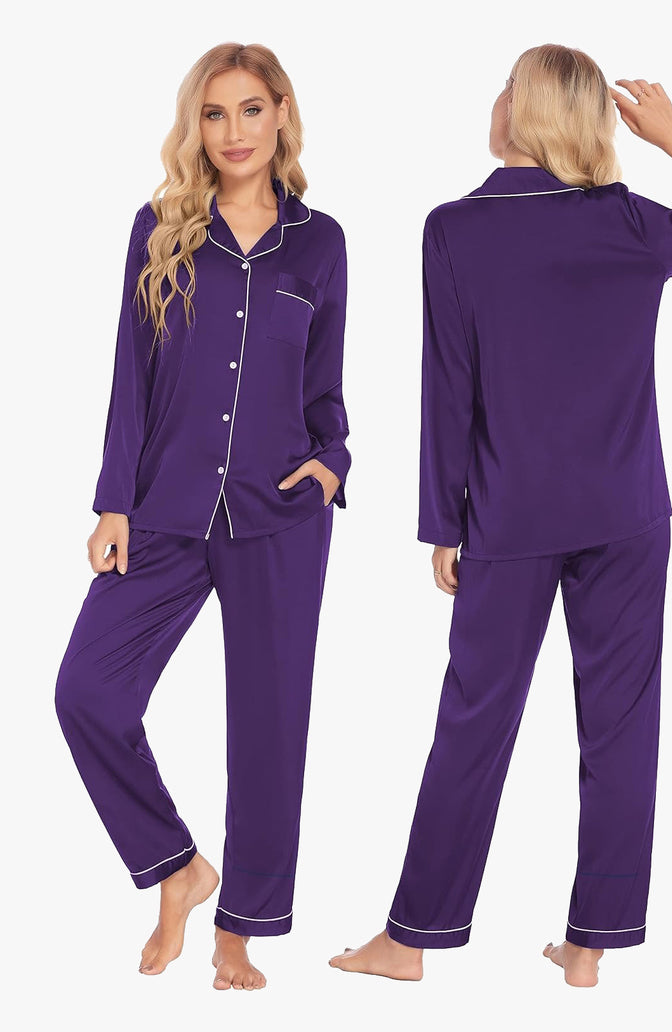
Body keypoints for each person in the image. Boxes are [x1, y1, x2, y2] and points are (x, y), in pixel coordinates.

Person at [329, 43, 672, 988]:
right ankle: (590, 947)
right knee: (622, 729)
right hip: (628, 513)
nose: (495, 101)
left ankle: (410, 941)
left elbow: (447, 386)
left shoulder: (456, 229)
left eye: (506, 88)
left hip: (508, 515)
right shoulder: (628, 221)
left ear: (524, 110)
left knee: (473, 724)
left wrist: (442, 523)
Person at [54, 42, 351, 991]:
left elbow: (325, 387)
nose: (233, 132)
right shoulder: (161, 228)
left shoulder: (321, 242)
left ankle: (240, 932)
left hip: (281, 514)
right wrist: (114, 500)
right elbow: (129, 375)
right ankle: (177, 867)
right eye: (214, 114)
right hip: (166, 511)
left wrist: (333, 463)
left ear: (281, 113)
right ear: (197, 125)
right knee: (87, 694)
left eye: (250, 109)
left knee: (270, 728)